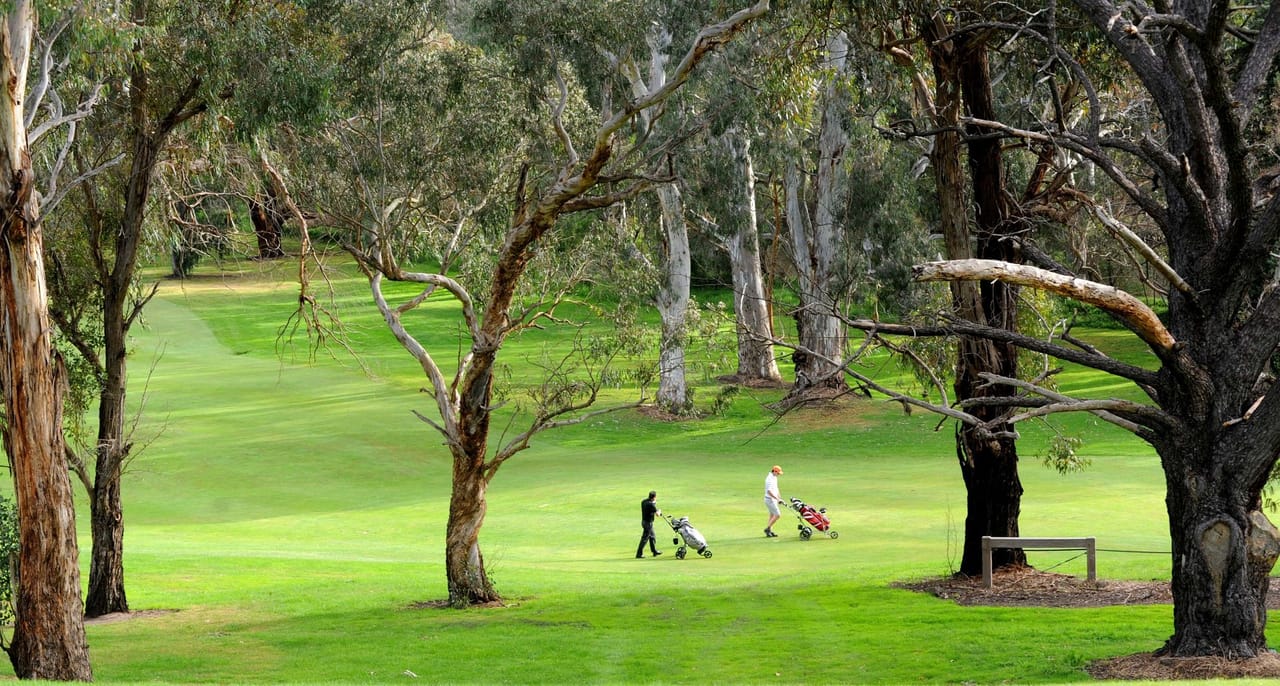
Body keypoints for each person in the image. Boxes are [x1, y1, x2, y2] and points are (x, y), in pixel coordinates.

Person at [636, 490, 663, 558]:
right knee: (644, 539)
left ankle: (654, 551)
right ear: (654, 497)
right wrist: (659, 511)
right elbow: (657, 514)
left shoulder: (644, 501)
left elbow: (650, 508)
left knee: (652, 537)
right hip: (648, 524)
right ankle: (639, 554)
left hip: (644, 522)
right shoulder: (651, 504)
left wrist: (653, 504)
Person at [763, 465, 784, 537]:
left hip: (773, 499)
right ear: (774, 471)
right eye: (778, 473)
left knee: (772, 516)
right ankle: (767, 529)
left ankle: (769, 531)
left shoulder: (775, 477)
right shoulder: (769, 479)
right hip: (769, 500)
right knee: (778, 515)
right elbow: (769, 491)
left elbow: (776, 488)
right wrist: (777, 499)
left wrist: (779, 497)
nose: (778, 475)